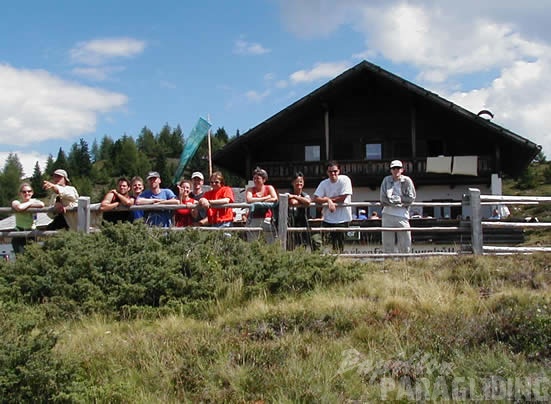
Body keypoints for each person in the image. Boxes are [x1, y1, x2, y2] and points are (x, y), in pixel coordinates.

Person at [313, 161, 353, 252]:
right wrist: (328, 200)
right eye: (330, 172)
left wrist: (328, 199)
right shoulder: (324, 183)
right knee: (317, 240)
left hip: (343, 219)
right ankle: (320, 260)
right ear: (327, 172)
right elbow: (315, 198)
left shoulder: (345, 180)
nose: (333, 173)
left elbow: (343, 197)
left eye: (335, 171)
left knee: (338, 246)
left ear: (339, 171)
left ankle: (338, 263)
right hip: (328, 219)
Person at [380, 159, 416, 253]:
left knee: (405, 242)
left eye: (398, 168)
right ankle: (388, 264)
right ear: (391, 170)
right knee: (387, 243)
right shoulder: (386, 180)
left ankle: (404, 264)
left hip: (402, 214)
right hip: (387, 214)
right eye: (393, 168)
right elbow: (383, 198)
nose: (396, 170)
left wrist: (396, 200)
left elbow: (411, 198)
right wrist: (399, 202)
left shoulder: (407, 181)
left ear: (402, 170)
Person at [245, 167, 279, 243]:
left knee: (271, 241)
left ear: (264, 179)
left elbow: (275, 198)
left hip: (267, 218)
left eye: (258, 178)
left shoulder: (269, 188)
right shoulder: (250, 189)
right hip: (253, 218)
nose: (255, 180)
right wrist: (266, 197)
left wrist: (256, 201)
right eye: (254, 178)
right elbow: (249, 200)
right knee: (252, 241)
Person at [11, 183, 45, 253]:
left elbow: (42, 204)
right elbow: (19, 207)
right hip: (19, 232)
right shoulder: (16, 201)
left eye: (29, 191)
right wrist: (30, 203)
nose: (27, 193)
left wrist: (29, 203)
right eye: (24, 192)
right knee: (20, 257)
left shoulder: (35, 201)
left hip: (31, 232)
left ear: (32, 193)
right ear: (20, 193)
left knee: (32, 256)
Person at [287, 172, 316, 249]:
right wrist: (300, 200)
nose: (299, 183)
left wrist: (294, 196)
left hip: (302, 222)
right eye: (297, 181)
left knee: (303, 244)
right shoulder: (288, 194)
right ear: (292, 183)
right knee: (290, 245)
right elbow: (293, 202)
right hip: (290, 222)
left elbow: (308, 201)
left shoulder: (304, 194)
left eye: (301, 181)